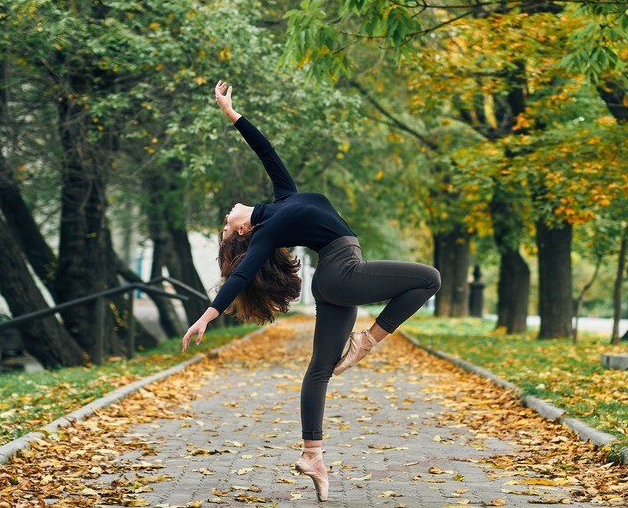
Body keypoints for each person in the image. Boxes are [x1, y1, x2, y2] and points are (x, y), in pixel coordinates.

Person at [182, 80, 441, 501]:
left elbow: (266, 151)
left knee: (320, 369)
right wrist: (208, 315)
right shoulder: (266, 231)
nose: (227, 216)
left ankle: (313, 456)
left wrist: (232, 115)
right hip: (343, 268)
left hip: (334, 280)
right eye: (227, 225)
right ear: (244, 230)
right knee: (429, 278)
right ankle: (368, 342)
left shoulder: (283, 198)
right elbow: (241, 276)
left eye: (225, 221)